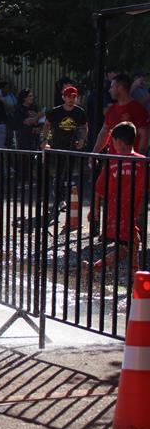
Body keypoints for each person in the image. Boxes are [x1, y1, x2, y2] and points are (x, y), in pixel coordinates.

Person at [84, 122, 147, 277]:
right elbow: (144, 188)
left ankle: (134, 273)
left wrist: (95, 208)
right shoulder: (141, 161)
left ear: (118, 142)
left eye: (112, 141)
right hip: (128, 210)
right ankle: (98, 267)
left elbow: (99, 188)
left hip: (115, 210)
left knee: (132, 243)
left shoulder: (113, 161)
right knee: (127, 247)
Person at [93, 73, 149, 155]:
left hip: (131, 162)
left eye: (112, 87)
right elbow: (104, 132)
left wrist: (139, 160)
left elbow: (144, 135)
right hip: (112, 161)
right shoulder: (111, 109)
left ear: (120, 88)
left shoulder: (138, 109)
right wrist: (94, 154)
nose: (109, 90)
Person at [41, 85, 88, 151]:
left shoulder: (80, 112)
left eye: (74, 97)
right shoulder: (55, 111)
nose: (71, 99)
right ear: (63, 98)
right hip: (57, 146)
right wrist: (45, 140)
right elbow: (46, 125)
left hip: (74, 147)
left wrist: (82, 139)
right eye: (69, 97)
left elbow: (84, 127)